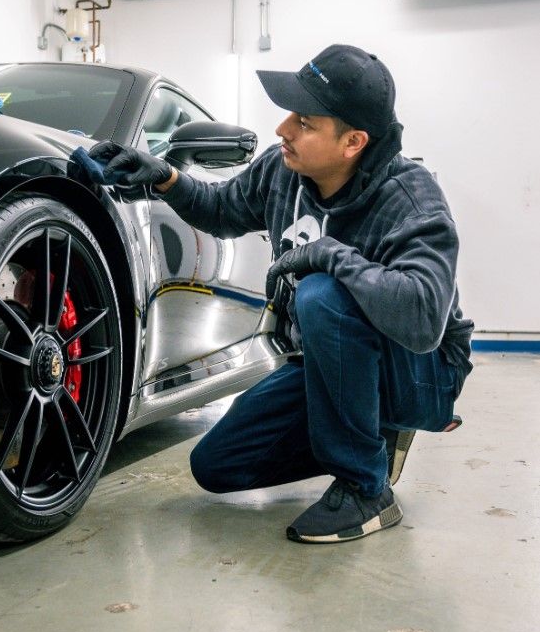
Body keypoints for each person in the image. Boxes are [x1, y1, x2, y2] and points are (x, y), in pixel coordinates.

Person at [90, 44, 473, 544]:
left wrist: (330, 255)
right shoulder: (281, 171)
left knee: (321, 295)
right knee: (217, 465)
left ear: (353, 141)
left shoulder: (411, 199)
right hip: (328, 359)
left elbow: (423, 322)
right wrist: (165, 177)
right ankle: (371, 435)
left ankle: (365, 488)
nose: (282, 129)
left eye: (305, 122)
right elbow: (221, 210)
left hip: (425, 372)